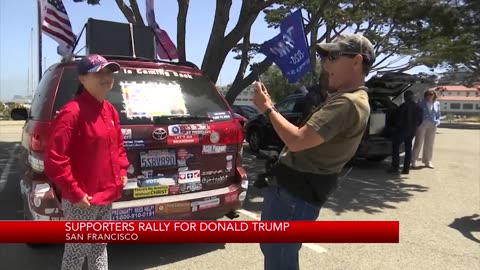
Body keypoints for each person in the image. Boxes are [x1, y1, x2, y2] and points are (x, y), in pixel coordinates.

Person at [252, 34, 375, 270]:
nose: (325, 63)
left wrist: (266, 108)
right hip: (294, 191)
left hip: (295, 194)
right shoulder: (345, 98)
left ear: (357, 61)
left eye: (332, 56)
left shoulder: (348, 102)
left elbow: (297, 140)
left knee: (280, 260)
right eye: (323, 56)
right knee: (276, 253)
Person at [44, 54, 130, 270]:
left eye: (109, 72)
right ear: (83, 79)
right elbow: (55, 159)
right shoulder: (71, 112)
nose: (106, 77)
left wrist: (121, 171)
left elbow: (118, 145)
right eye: (99, 72)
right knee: (76, 250)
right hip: (83, 198)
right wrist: (75, 192)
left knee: (99, 245)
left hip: (107, 193)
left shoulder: (109, 110)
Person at [387, 90, 423, 174]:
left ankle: (395, 167)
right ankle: (406, 169)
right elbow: (420, 120)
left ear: (405, 97)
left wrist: (394, 128)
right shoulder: (417, 107)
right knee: (408, 149)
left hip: (401, 131)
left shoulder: (402, 106)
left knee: (395, 147)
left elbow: (397, 119)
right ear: (412, 96)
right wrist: (414, 127)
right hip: (411, 131)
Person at [411, 89, 441, 169]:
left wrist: (437, 122)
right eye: (428, 94)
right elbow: (416, 113)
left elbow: (438, 115)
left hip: (433, 124)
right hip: (422, 124)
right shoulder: (421, 103)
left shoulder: (437, 103)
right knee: (418, 142)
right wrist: (417, 123)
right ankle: (413, 160)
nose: (430, 96)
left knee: (430, 143)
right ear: (425, 95)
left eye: (431, 94)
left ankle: (428, 161)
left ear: (434, 95)